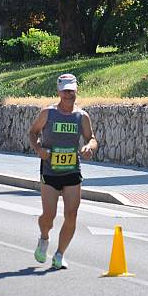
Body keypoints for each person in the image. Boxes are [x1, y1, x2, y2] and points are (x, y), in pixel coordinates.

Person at [29, 73, 98, 269]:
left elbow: (91, 138)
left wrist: (89, 148)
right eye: (65, 90)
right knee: (48, 216)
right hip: (50, 171)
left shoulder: (82, 116)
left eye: (72, 90)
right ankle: (44, 238)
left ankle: (59, 254)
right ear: (59, 92)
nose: (69, 94)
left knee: (71, 215)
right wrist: (39, 149)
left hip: (72, 171)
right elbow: (33, 132)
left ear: (77, 91)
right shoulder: (48, 113)